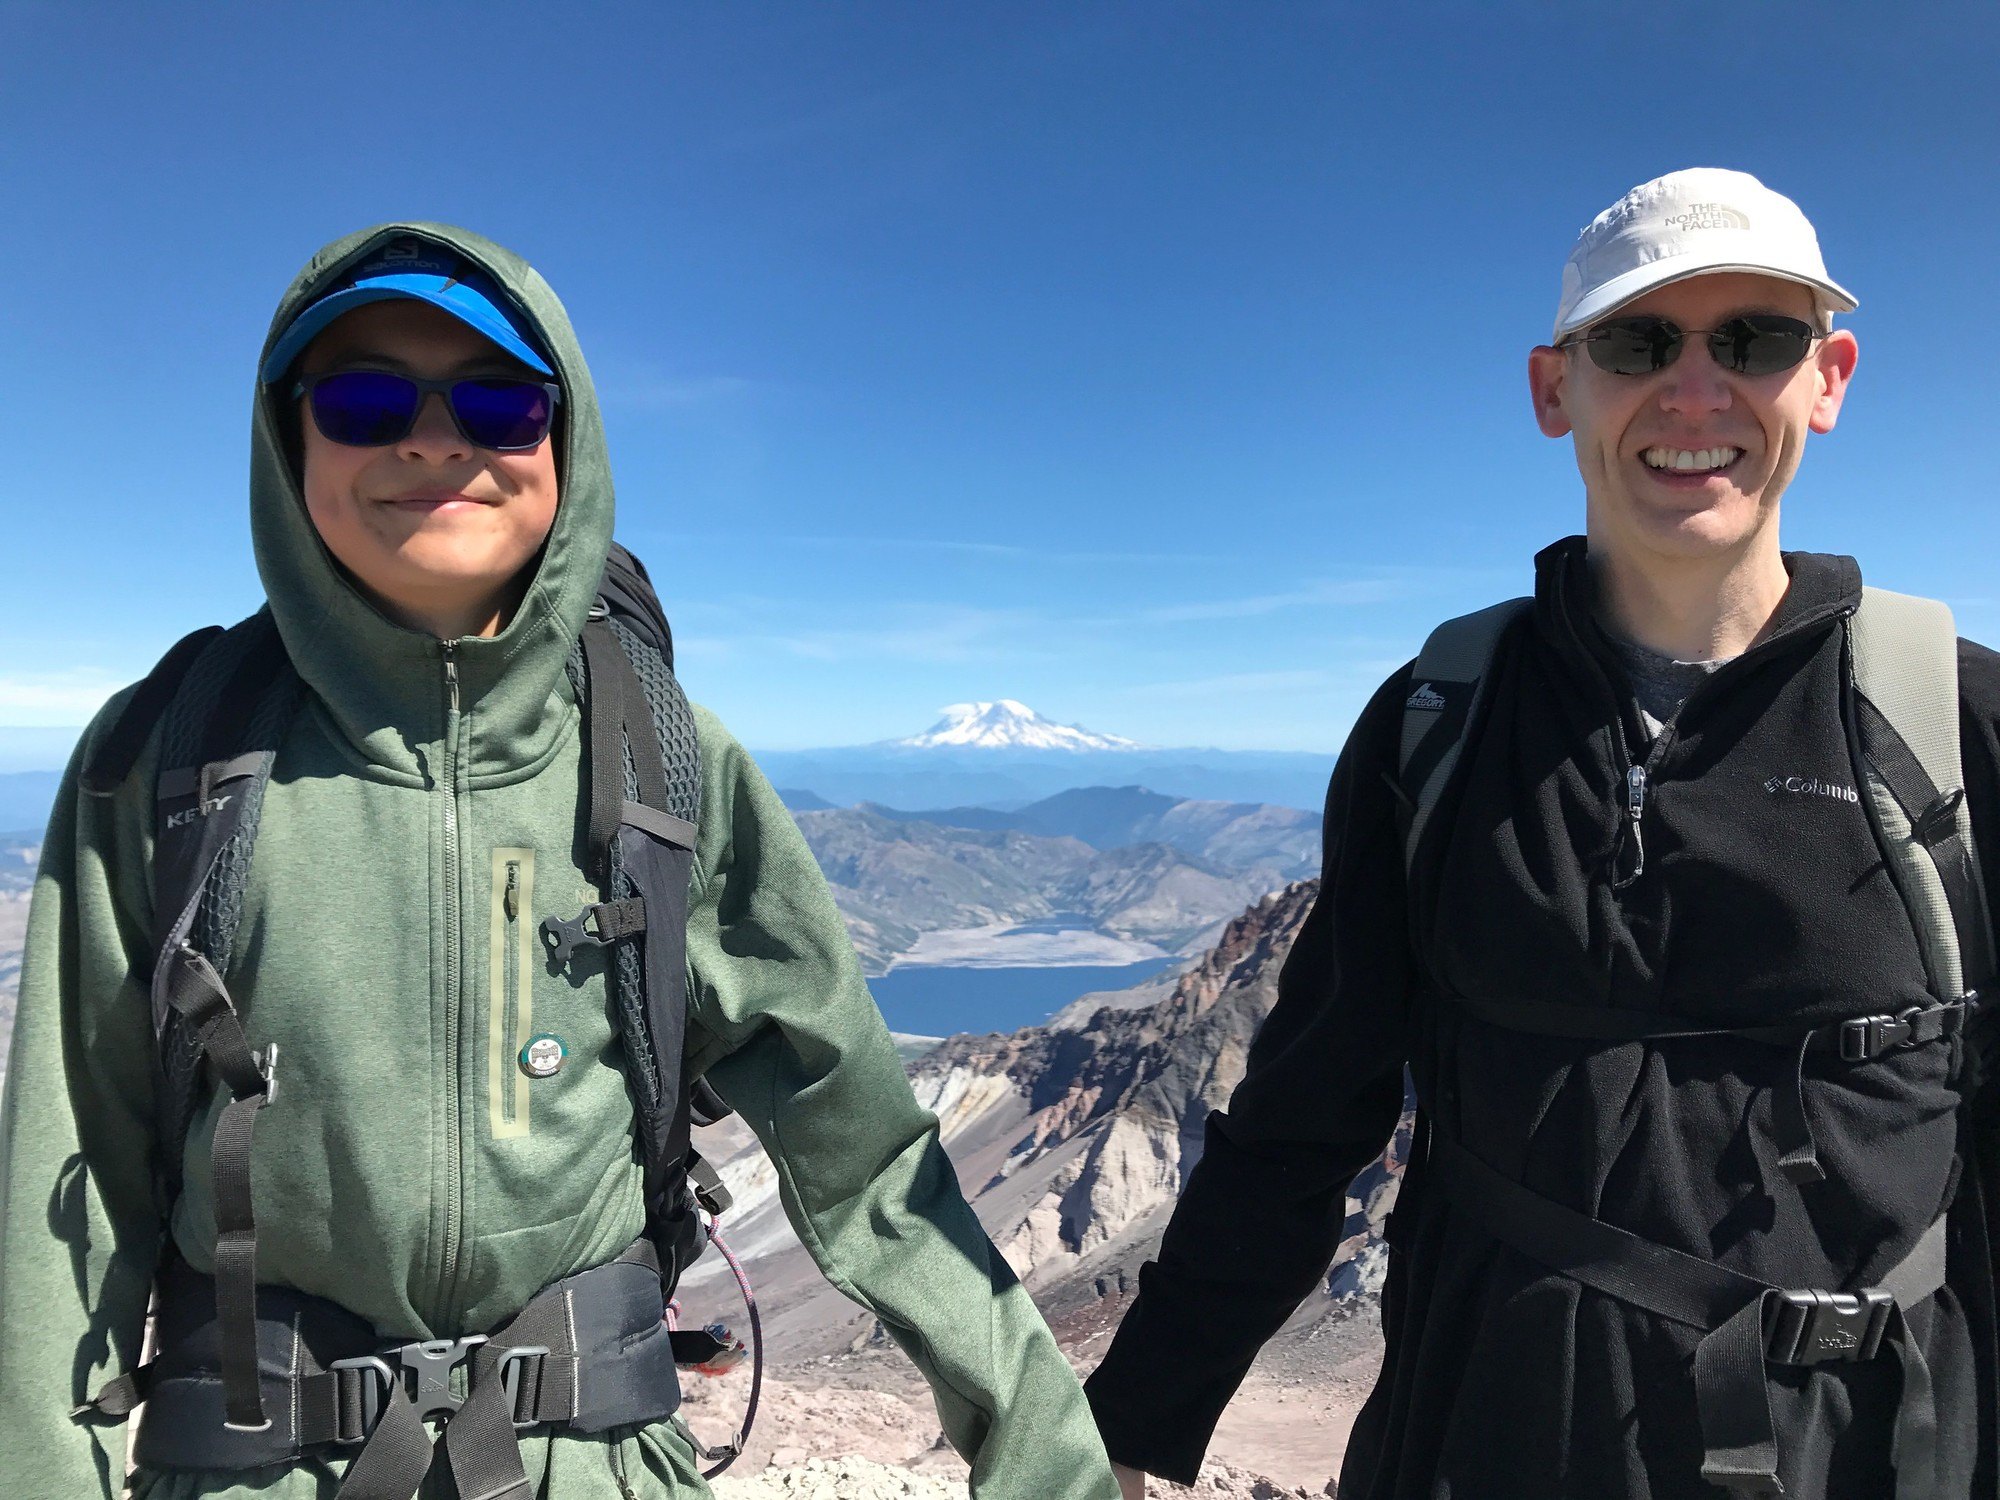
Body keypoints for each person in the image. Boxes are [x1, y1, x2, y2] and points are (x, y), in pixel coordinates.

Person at [0, 222, 1122, 1500]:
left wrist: (1049, 1461)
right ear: (285, 440)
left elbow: (860, 1152)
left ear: (564, 444)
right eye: (365, 399)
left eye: (496, 400)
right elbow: (70, 1187)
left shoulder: (664, 763)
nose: (433, 440)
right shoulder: (168, 758)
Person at [1086, 168, 2000, 1498]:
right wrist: (1125, 1433)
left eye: (1754, 338)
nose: (1697, 392)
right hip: (1479, 1448)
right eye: (1638, 342)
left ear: (1829, 377)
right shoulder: (1436, 726)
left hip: (1867, 1458)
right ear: (1553, 388)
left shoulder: (1953, 724)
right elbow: (1301, 1120)